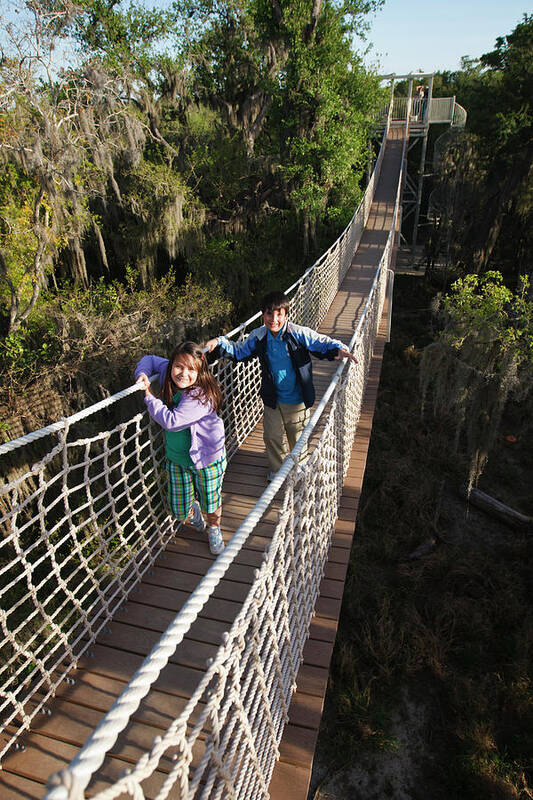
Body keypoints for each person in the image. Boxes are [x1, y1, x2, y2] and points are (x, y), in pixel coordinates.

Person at [205, 290, 357, 481]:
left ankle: (299, 468)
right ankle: (277, 471)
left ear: (286, 315)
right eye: (269, 313)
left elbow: (320, 342)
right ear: (263, 315)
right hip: (273, 398)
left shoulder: (297, 333)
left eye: (279, 314)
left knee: (298, 437)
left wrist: (339, 349)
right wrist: (219, 343)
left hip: (297, 398)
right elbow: (240, 351)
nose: (274, 319)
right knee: (271, 436)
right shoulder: (259, 336)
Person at [135, 341, 226, 555]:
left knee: (210, 503)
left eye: (191, 369)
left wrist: (149, 396)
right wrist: (142, 374)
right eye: (179, 366)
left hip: (207, 459)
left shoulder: (201, 395)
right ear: (172, 363)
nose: (183, 374)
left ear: (200, 371)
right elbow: (148, 359)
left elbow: (172, 421)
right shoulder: (170, 370)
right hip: (177, 459)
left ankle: (214, 528)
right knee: (178, 510)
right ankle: (193, 511)